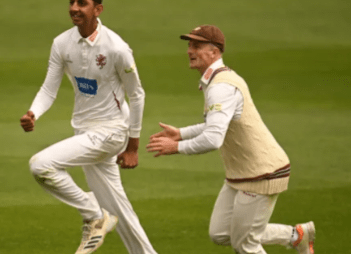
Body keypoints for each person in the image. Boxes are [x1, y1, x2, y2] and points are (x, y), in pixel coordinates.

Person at [147, 25, 315, 254]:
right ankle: (296, 236)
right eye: (189, 45)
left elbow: (213, 139)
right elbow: (217, 125)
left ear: (214, 52)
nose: (189, 50)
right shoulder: (216, 80)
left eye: (196, 45)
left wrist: (176, 146)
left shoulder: (221, 87)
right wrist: (182, 133)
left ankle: (296, 237)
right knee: (221, 233)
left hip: (262, 172)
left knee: (245, 244)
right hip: (241, 172)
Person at [20, 1, 158, 254]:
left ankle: (94, 213)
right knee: (121, 212)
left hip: (112, 131)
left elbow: (137, 95)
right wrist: (34, 112)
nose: (74, 8)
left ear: (98, 9)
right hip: (84, 131)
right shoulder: (62, 43)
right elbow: (49, 87)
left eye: (82, 3)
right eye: (71, 2)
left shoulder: (116, 47)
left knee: (40, 165)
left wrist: (133, 146)